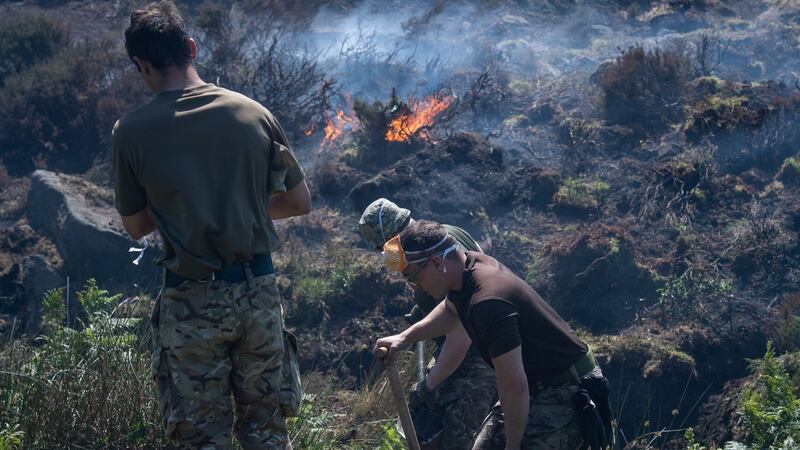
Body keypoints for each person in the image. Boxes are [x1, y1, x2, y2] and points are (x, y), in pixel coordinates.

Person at [112, 2, 310, 448]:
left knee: (201, 437)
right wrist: (244, 205)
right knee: (266, 430)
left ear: (141, 65)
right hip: (257, 293)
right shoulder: (253, 114)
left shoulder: (131, 132)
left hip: (190, 301)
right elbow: (299, 202)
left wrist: (180, 203)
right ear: (192, 47)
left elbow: (135, 226)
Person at [375, 221, 612, 450]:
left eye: (415, 277)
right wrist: (404, 338)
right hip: (535, 385)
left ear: (437, 263)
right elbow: (450, 311)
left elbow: (513, 385)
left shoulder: (488, 303)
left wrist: (512, 445)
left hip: (564, 392)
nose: (415, 287)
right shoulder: (465, 271)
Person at [359, 199, 496, 449]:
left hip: (484, 354)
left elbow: (460, 335)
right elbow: (445, 306)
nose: (387, 255)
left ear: (395, 238)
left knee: (458, 431)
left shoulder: (436, 251)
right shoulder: (431, 242)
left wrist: (429, 386)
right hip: (462, 350)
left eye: (385, 247)